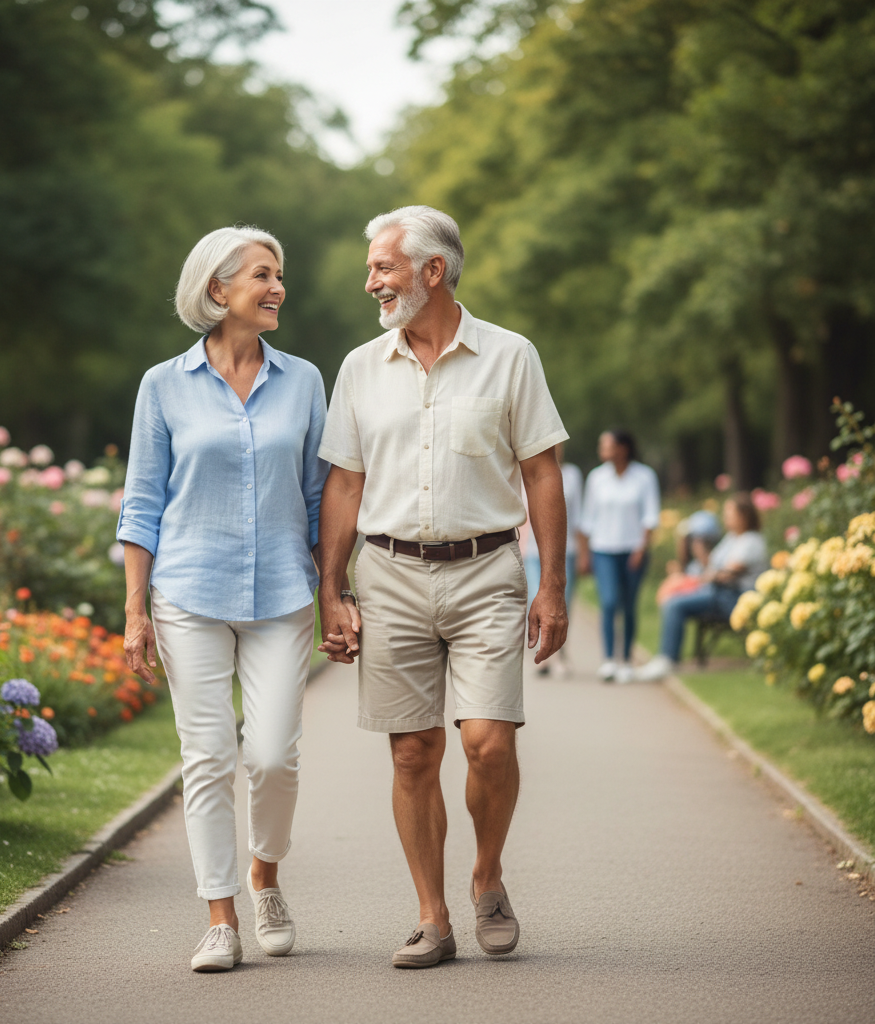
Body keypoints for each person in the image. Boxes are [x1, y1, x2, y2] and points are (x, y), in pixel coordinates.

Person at [316, 205, 569, 969]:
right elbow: (344, 484)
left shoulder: (510, 355)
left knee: (488, 743)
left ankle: (487, 874)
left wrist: (550, 585)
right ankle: (433, 917)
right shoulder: (362, 366)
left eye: (383, 267)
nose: (371, 282)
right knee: (413, 754)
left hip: (488, 569)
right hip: (388, 573)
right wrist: (333, 590)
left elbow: (542, 473)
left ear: (434, 271)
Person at [117, 226, 349, 973]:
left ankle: (265, 877)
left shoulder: (305, 381)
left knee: (274, 755)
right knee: (210, 754)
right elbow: (142, 501)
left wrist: (335, 591)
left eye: (279, 274)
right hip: (188, 591)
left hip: (283, 591)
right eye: (263, 274)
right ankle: (220, 916)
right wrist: (134, 608)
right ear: (218, 290)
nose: (278, 286)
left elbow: (321, 499)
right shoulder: (163, 385)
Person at [636, 494, 767, 680]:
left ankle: (667, 659)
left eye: (730, 513)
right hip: (719, 593)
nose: (725, 517)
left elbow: (726, 574)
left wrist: (702, 577)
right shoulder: (731, 538)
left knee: (675, 604)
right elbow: (711, 568)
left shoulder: (751, 541)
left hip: (735, 599)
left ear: (744, 516)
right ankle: (666, 657)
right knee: (673, 595)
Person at [577, 429, 660, 684]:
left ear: (622, 448)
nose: (602, 449)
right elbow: (587, 518)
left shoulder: (644, 476)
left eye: (607, 445)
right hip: (604, 550)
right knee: (610, 602)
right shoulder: (597, 478)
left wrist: (641, 548)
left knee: (629, 605)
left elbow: (650, 515)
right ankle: (609, 659)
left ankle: (626, 659)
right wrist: (585, 553)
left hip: (634, 550)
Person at [518, 442, 582, 675]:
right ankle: (545, 653)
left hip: (568, 549)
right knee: (538, 596)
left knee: (563, 602)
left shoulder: (573, 474)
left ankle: (559, 653)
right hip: (532, 550)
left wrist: (585, 552)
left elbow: (578, 516)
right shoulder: (526, 472)